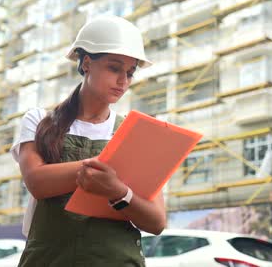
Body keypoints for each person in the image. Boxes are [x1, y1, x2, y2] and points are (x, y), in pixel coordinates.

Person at [10, 15, 166, 266]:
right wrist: (103, 168)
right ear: (86, 63)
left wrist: (118, 191)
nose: (123, 80)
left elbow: (156, 221)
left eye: (130, 72)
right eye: (114, 68)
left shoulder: (135, 133)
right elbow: (37, 182)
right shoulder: (39, 120)